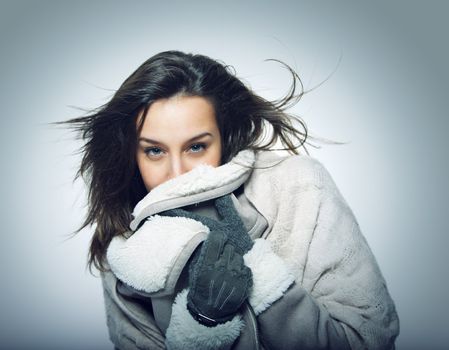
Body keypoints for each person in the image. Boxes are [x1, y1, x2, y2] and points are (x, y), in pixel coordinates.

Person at [62, 50, 399, 349]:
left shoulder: (298, 186)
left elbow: (369, 339)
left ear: (225, 137)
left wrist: (262, 277)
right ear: (132, 154)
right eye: (154, 151)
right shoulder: (125, 246)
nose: (177, 172)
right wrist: (201, 323)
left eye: (196, 146)